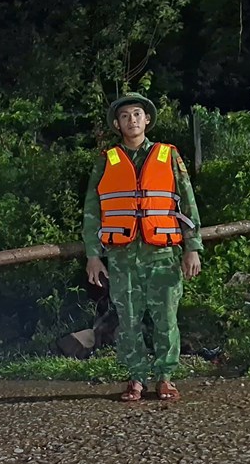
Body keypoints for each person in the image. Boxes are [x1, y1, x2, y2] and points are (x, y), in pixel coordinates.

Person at [81, 93, 203, 402]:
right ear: (116, 124)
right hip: (122, 256)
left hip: (162, 254)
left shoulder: (168, 156)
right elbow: (92, 210)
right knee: (129, 320)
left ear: (146, 120)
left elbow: (187, 202)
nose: (132, 120)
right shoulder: (106, 160)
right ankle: (136, 377)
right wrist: (93, 255)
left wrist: (193, 247)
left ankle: (165, 377)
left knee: (166, 318)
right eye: (125, 116)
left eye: (137, 114)